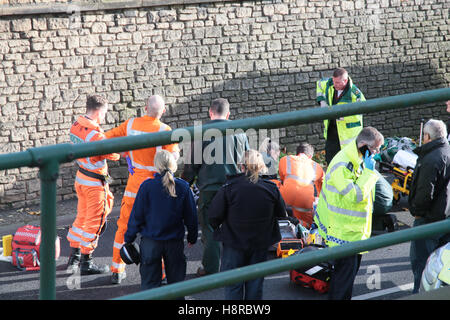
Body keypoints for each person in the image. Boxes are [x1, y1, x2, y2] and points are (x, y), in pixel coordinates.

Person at [105, 95, 180, 284]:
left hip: (134, 187)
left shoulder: (130, 125)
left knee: (123, 228)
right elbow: (173, 161)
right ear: (163, 111)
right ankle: (162, 273)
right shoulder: (165, 130)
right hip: (156, 189)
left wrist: (123, 153)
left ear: (145, 107)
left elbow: (105, 140)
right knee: (157, 230)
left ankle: (117, 269)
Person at [313, 126, 384, 300]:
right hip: (343, 232)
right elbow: (356, 195)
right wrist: (369, 173)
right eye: (375, 148)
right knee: (343, 283)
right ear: (363, 144)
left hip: (351, 231)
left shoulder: (357, 156)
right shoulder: (343, 164)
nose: (377, 152)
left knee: (345, 278)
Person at [181, 98, 249, 277]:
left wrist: (184, 185)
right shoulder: (240, 132)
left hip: (210, 190)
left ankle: (211, 269)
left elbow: (190, 166)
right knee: (235, 226)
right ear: (228, 114)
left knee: (210, 229)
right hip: (235, 188)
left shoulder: (201, 133)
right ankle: (237, 266)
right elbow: (248, 161)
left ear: (210, 113)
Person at [208, 150, 287, 300]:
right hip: (260, 243)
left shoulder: (229, 188)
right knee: (255, 285)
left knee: (233, 285)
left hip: (234, 243)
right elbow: (281, 213)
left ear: (241, 167)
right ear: (261, 166)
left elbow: (213, 216)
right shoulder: (271, 188)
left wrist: (220, 229)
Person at [123, 150, 198, 293]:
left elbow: (136, 216)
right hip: (174, 243)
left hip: (150, 243)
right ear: (174, 165)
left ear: (156, 166)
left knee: (150, 287)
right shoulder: (183, 187)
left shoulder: (147, 186)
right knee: (177, 287)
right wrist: (192, 237)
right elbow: (191, 216)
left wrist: (129, 239)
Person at [66, 95, 120, 274]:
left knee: (81, 218)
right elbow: (114, 155)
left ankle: (74, 257)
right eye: (105, 112)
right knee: (93, 223)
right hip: (94, 184)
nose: (105, 116)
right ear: (98, 111)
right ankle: (86, 263)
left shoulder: (76, 126)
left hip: (81, 178)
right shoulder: (96, 136)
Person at [408, 119, 450, 294]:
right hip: (445, 218)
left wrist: (417, 212)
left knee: (421, 265)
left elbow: (425, 193)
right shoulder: (446, 151)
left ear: (427, 136)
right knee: (442, 267)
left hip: (428, 221)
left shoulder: (430, 159)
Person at [316, 68, 366, 164]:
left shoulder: (355, 94)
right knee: (330, 159)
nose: (335, 85)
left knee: (348, 161)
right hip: (332, 131)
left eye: (338, 83)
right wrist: (322, 101)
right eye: (334, 81)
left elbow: (362, 110)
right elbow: (319, 84)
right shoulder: (330, 83)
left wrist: (345, 116)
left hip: (347, 135)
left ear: (345, 81)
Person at [279, 142, 324, 228]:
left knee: (275, 183)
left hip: (285, 204)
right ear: (310, 157)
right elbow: (323, 192)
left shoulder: (285, 160)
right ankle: (304, 226)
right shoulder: (317, 166)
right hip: (304, 208)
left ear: (297, 153)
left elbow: (283, 180)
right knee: (306, 224)